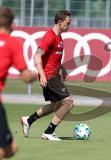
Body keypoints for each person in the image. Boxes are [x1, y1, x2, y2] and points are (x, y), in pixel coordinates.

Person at [21, 10, 74, 141]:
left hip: (53, 75)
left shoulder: (59, 36)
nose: (69, 25)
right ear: (60, 22)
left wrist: (62, 69)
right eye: (68, 23)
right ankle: (49, 132)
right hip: (49, 76)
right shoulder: (49, 36)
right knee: (68, 102)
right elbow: (37, 55)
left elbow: (53, 58)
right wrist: (42, 75)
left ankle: (29, 120)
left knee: (55, 105)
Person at [0, 7, 36, 159]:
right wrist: (38, 73)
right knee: (7, 150)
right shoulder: (12, 43)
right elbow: (26, 77)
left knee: (10, 148)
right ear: (12, 25)